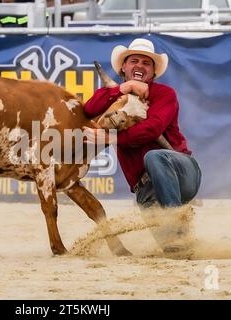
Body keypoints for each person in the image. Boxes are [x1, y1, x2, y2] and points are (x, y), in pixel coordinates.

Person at [83, 38, 202, 257]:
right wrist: (124, 88)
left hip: (181, 171)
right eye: (134, 61)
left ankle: (174, 217)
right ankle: (210, 242)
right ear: (123, 68)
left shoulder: (165, 94)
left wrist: (111, 138)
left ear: (153, 71)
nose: (140, 66)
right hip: (145, 190)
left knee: (155, 157)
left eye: (146, 63)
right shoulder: (114, 96)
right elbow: (89, 108)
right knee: (176, 249)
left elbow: (152, 128)